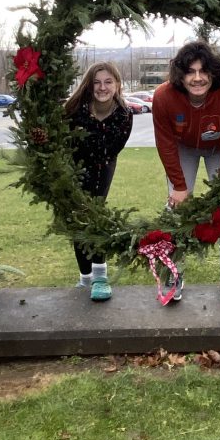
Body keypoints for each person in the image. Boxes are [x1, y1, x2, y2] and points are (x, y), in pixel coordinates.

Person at [151, 40, 220, 302]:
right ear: (180, 75)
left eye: (203, 71)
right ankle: (175, 270)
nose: (197, 78)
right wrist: (180, 187)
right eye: (190, 72)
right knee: (176, 207)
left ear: (213, 73)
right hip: (184, 148)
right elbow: (166, 143)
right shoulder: (163, 96)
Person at [64, 62, 133, 301]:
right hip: (73, 166)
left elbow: (110, 149)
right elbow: (65, 142)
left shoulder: (124, 113)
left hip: (103, 165)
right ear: (89, 84)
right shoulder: (74, 109)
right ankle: (85, 278)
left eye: (108, 82)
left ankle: (100, 276)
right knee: (76, 221)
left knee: (94, 214)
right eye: (96, 82)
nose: (102, 87)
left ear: (116, 85)